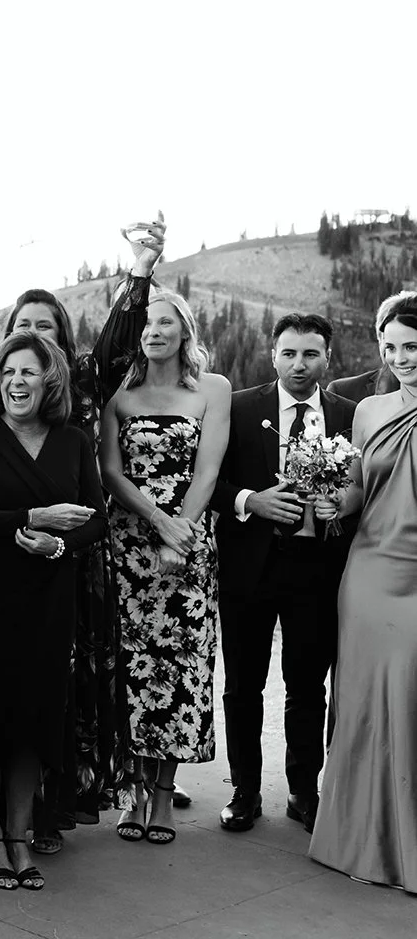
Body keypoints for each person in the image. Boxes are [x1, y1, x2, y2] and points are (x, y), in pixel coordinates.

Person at [0, 332, 107, 890]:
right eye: (9, 372)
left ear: (50, 381)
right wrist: (32, 515)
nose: (18, 382)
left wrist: (60, 545)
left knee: (36, 720)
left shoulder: (72, 442)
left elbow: (97, 521)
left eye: (29, 372)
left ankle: (20, 836)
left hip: (50, 600)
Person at [210, 313, 356, 834]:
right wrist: (253, 500)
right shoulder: (238, 408)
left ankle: (302, 791)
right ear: (273, 356)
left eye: (310, 354)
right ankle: (244, 791)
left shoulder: (349, 416)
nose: (300, 364)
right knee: (243, 684)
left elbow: (363, 491)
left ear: (327, 359)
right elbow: (210, 483)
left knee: (306, 685)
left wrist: (340, 504)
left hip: (317, 571)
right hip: (249, 566)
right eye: (289, 353)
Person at [99, 289, 231, 846]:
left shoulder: (213, 390)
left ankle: (162, 796)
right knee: (129, 668)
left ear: (184, 332)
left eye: (164, 322)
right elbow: (108, 471)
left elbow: (208, 469)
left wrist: (181, 531)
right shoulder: (119, 397)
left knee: (180, 668)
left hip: (188, 545)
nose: (153, 330)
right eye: (146, 323)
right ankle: (132, 791)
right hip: (128, 545)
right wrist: (156, 518)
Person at [309, 293, 417, 894]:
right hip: (371, 571)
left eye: (414, 347)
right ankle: (361, 840)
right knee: (365, 704)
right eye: (392, 347)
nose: (402, 358)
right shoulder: (370, 411)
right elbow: (356, 488)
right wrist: (335, 504)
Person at [326, 290, 414, 403]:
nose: (399, 359)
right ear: (380, 341)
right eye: (391, 347)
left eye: (411, 347)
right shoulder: (343, 393)